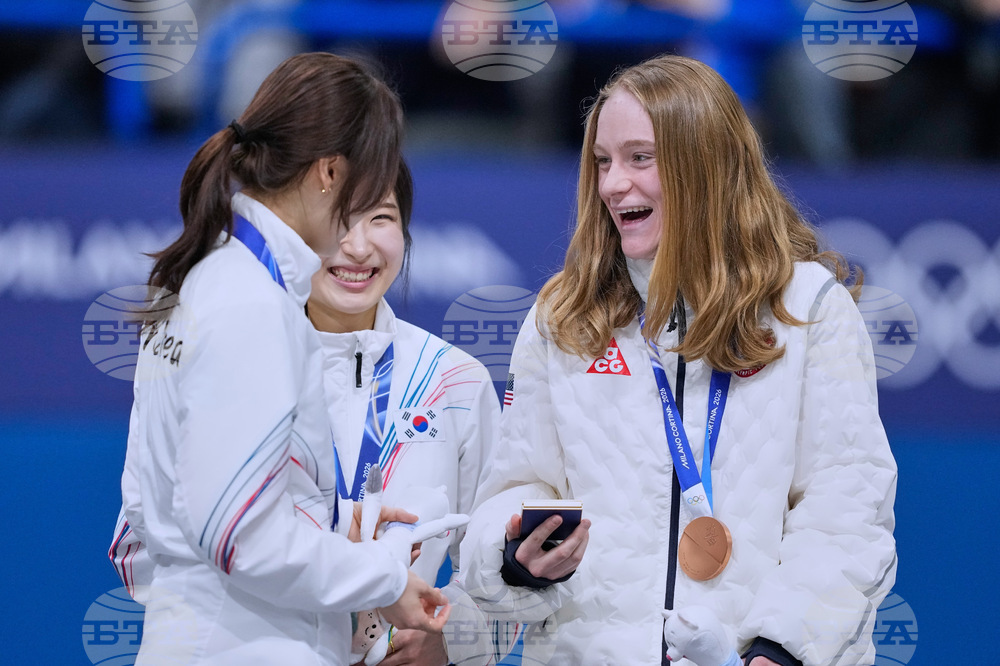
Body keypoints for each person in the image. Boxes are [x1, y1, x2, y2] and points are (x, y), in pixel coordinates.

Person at [460, 54, 897, 666]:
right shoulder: (565, 314)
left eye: (641, 158)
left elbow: (846, 510)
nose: (614, 185)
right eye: (603, 162)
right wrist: (515, 556)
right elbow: (512, 489)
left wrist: (780, 649)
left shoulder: (807, 309)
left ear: (707, 166)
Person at [108, 52, 449, 665]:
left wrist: (329, 520)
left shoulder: (207, 279)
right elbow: (240, 538)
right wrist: (384, 576)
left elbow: (170, 507)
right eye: (370, 181)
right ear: (329, 172)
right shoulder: (250, 303)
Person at [305, 159, 506, 666]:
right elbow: (140, 549)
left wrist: (453, 639)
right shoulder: (240, 366)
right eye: (337, 218)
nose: (357, 246)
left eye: (381, 217)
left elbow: (500, 565)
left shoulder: (454, 379)